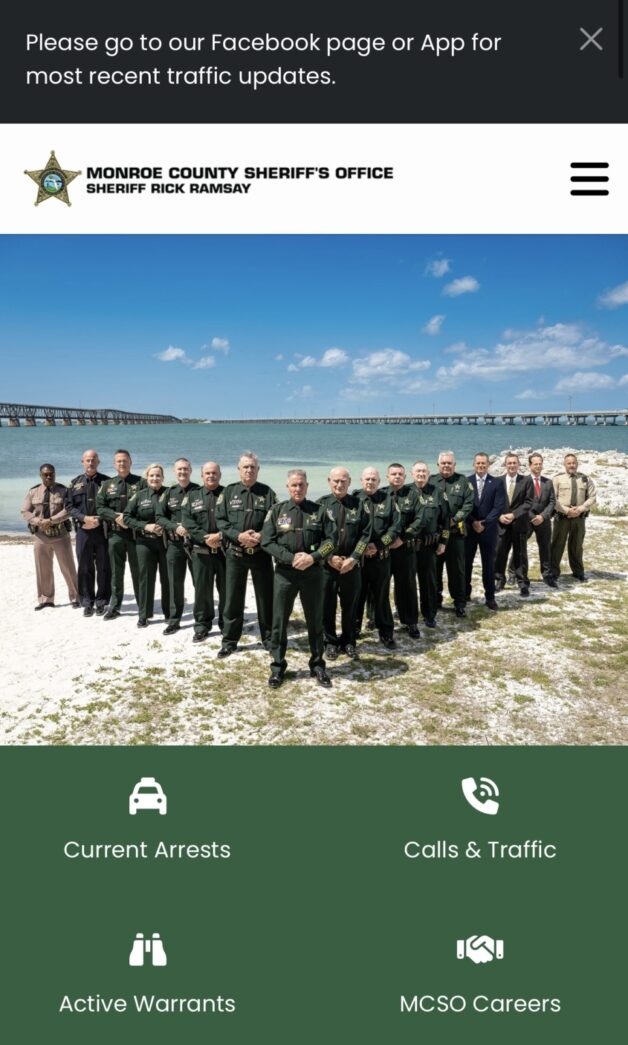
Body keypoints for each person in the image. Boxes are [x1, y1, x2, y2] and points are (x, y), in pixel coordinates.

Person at [261, 469, 336, 688]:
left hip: (313, 573)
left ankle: (318, 665)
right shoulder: (277, 511)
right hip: (285, 574)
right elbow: (267, 541)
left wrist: (312, 558)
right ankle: (277, 667)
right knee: (279, 622)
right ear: (287, 487)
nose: (297, 488)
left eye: (301, 484)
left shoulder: (320, 511)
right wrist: (291, 558)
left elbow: (331, 541)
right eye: (294, 485)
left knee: (315, 620)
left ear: (307, 486)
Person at [215, 452, 277, 658]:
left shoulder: (268, 493)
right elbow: (221, 521)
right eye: (245, 467)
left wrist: (260, 535)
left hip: (261, 554)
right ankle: (230, 641)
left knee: (265, 597)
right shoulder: (229, 492)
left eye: (253, 467)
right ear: (239, 469)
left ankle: (268, 638)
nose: (249, 470)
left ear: (258, 470)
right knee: (233, 598)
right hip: (235, 554)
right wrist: (239, 535)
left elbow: (274, 521)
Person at [317, 466, 371, 660]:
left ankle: (348, 641)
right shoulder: (320, 505)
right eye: (336, 481)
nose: (339, 484)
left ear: (349, 482)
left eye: (343, 481)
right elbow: (315, 537)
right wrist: (328, 557)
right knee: (327, 606)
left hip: (351, 565)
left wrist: (354, 558)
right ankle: (330, 642)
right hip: (327, 567)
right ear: (329, 481)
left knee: (351, 606)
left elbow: (365, 535)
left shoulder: (359, 505)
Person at [354, 467, 403, 649]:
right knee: (357, 596)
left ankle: (386, 633)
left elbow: (395, 528)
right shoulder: (354, 499)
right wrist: (362, 547)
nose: (370, 482)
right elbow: (349, 527)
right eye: (367, 479)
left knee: (381, 597)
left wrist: (379, 545)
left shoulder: (388, 501)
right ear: (361, 480)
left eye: (373, 479)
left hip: (381, 558)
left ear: (379, 481)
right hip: (359, 559)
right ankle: (354, 630)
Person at [21, 463, 79, 610]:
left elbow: (68, 509)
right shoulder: (33, 491)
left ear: (55, 474)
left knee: (68, 568)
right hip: (41, 536)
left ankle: (76, 597)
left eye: (51, 474)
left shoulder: (64, 490)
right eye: (45, 474)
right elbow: (25, 511)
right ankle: (46, 600)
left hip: (60, 535)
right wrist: (38, 521)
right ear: (40, 475)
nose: (49, 476)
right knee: (43, 569)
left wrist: (51, 520)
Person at [181, 461, 226, 642]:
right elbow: (188, 522)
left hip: (224, 552)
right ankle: (202, 625)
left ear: (220, 475)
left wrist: (220, 536)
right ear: (201, 476)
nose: (211, 476)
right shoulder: (192, 496)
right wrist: (207, 538)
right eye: (207, 473)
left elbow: (234, 521)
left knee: (227, 590)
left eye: (214, 473)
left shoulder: (228, 494)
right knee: (202, 591)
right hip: (201, 552)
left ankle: (226, 623)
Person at [96, 450, 142, 620]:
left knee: (138, 572)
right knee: (116, 572)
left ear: (131, 462)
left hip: (135, 535)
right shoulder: (107, 485)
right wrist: (116, 517)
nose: (122, 464)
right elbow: (100, 507)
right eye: (118, 461)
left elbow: (147, 506)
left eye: (125, 461)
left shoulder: (141, 483)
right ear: (114, 464)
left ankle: (142, 605)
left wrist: (129, 519)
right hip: (115, 534)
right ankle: (115, 607)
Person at [155, 458, 200, 635]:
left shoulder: (198, 491)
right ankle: (175, 620)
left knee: (200, 583)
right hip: (174, 545)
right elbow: (159, 517)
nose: (182, 472)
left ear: (191, 470)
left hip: (196, 545)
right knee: (175, 583)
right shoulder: (169, 493)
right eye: (179, 469)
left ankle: (202, 618)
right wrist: (175, 527)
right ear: (175, 472)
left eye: (186, 469)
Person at [123, 464, 170, 627]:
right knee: (145, 579)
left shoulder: (169, 494)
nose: (155, 479)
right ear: (147, 478)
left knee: (167, 578)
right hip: (144, 543)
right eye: (152, 476)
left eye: (158, 476)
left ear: (163, 478)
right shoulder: (139, 496)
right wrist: (145, 526)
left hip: (166, 543)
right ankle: (143, 614)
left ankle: (169, 613)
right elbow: (127, 518)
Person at [65, 449, 111, 616]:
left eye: (93, 460)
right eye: (87, 460)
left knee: (104, 566)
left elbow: (112, 506)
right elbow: (69, 507)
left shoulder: (107, 482)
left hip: (102, 530)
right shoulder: (75, 483)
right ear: (82, 462)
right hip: (83, 531)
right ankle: (87, 602)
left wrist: (98, 519)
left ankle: (102, 601)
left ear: (98, 462)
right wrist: (84, 518)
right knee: (84, 567)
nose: (90, 463)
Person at [382, 463, 423, 638]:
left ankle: (410, 621)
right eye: (393, 474)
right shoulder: (381, 495)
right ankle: (375, 617)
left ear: (405, 477)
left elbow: (420, 521)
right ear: (388, 477)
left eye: (400, 474)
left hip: (405, 549)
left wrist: (402, 539)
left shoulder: (413, 495)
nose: (397, 477)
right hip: (384, 551)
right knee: (379, 586)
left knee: (407, 586)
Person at [434, 451, 474, 618]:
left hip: (455, 534)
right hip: (435, 536)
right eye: (443, 463)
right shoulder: (431, 481)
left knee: (457, 570)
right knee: (434, 570)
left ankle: (459, 603)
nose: (446, 465)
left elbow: (468, 504)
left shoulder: (463, 481)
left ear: (454, 465)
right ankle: (435, 601)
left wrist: (454, 519)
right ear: (438, 465)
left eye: (449, 463)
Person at [465, 452, 505, 610]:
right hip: (470, 529)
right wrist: (473, 522)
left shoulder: (496, 483)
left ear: (488, 465)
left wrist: (485, 523)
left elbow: (498, 507)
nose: (481, 466)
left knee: (488, 565)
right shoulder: (466, 482)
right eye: (478, 463)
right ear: (473, 464)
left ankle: (490, 597)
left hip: (488, 531)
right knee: (466, 564)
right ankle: (465, 594)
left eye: (484, 463)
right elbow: (464, 505)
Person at [411, 461, 449, 628]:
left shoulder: (438, 493)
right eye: (418, 471)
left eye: (424, 471)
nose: (421, 474)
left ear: (429, 473)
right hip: (408, 547)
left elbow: (446, 521)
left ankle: (429, 614)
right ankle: (406, 612)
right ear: (412, 474)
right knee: (407, 583)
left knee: (428, 583)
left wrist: (444, 542)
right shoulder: (405, 492)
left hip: (429, 546)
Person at [550, 453, 597, 582]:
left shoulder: (585, 479)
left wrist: (581, 509)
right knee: (557, 545)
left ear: (577, 464)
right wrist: (567, 510)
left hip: (579, 518)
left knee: (577, 545)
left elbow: (592, 497)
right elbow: (553, 499)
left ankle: (578, 571)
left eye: (574, 463)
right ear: (564, 464)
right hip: (562, 517)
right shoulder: (557, 479)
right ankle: (553, 572)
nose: (572, 465)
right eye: (569, 463)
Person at [494, 453, 533, 597]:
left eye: (514, 463)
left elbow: (528, 503)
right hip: (502, 525)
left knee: (520, 555)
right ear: (505, 465)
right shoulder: (498, 481)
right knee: (500, 554)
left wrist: (514, 515)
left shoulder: (526, 481)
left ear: (518, 465)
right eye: (509, 463)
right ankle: (499, 579)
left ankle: (522, 583)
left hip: (519, 524)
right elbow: (493, 503)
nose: (511, 465)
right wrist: (499, 516)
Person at [518, 452, 557, 588]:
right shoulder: (523, 481)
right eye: (535, 464)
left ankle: (547, 575)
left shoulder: (548, 482)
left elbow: (552, 502)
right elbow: (521, 502)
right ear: (530, 465)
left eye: (540, 464)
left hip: (544, 520)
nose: (538, 466)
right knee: (521, 548)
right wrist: (532, 516)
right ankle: (516, 574)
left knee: (545, 548)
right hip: (526, 520)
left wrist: (543, 516)